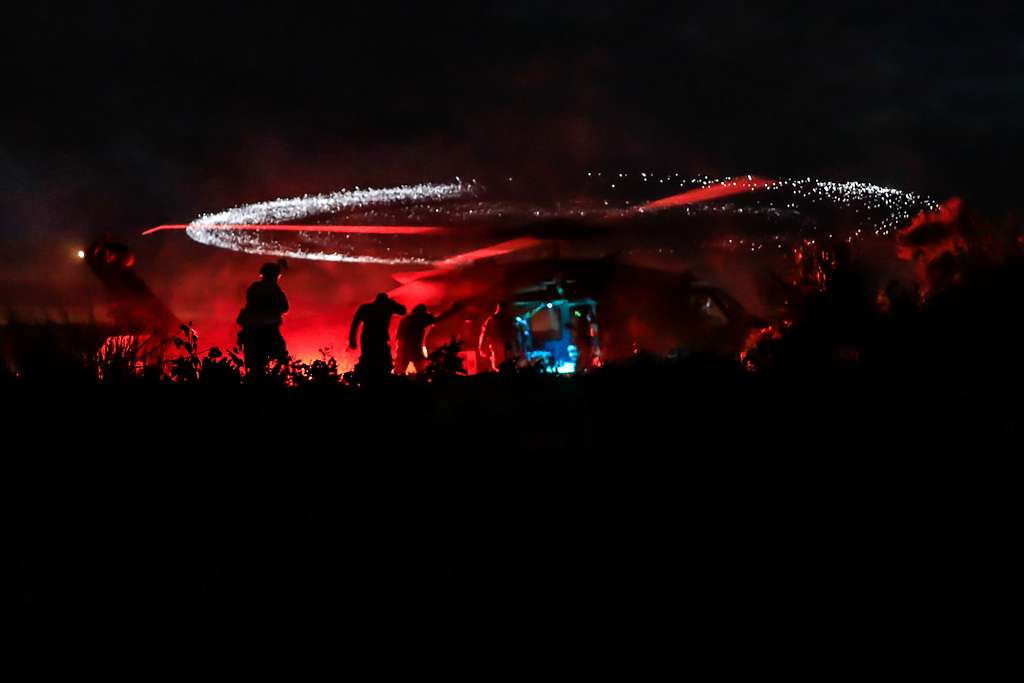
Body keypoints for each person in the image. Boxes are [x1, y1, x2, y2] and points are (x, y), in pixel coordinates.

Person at [236, 260, 289, 371]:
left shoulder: (254, 288)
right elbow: (284, 307)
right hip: (268, 330)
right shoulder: (274, 289)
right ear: (274, 276)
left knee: (255, 366)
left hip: (251, 331)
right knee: (281, 357)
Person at [349, 292, 407, 379]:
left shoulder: (365, 308)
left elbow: (355, 323)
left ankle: (367, 381)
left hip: (368, 339)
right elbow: (403, 310)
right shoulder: (387, 307)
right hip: (380, 339)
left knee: (368, 361)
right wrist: (392, 303)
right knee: (383, 363)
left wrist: (352, 339)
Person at [395, 302, 463, 375]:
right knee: (417, 372)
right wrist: (452, 310)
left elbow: (400, 339)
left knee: (405, 372)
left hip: (407, 353)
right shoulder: (419, 321)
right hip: (412, 353)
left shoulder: (406, 320)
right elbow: (438, 318)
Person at [478, 301, 524, 372]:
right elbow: (515, 333)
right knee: (503, 366)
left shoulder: (494, 319)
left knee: (502, 366)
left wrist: (481, 348)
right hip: (502, 345)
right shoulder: (503, 319)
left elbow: (484, 334)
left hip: (503, 345)